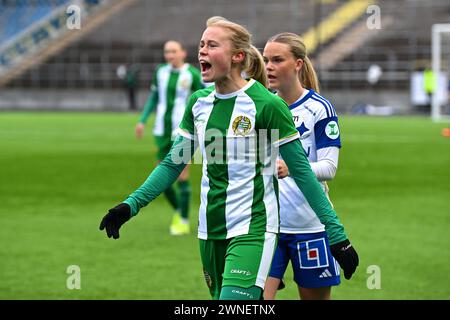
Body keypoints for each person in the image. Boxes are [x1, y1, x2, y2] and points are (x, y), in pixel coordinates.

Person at [99, 16, 358, 300]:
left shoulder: (267, 105)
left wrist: (337, 235)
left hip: (254, 230)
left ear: (237, 57)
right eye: (201, 45)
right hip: (209, 231)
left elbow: (304, 174)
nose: (202, 51)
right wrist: (129, 206)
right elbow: (174, 164)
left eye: (212, 45)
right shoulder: (198, 103)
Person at [262, 32, 351, 300]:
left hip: (311, 227)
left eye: (278, 60)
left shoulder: (319, 109)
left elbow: (329, 168)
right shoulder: (261, 105)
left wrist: (294, 168)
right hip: (268, 227)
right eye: (266, 60)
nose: (269, 66)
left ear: (298, 64)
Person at [135, 40, 203, 235]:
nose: (170, 55)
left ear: (183, 53)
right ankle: (179, 211)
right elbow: (154, 98)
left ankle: (182, 220)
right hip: (161, 131)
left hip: (182, 131)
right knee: (161, 177)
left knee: (181, 174)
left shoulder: (192, 74)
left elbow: (203, 98)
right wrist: (142, 120)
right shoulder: (160, 72)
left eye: (173, 51)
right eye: (167, 52)